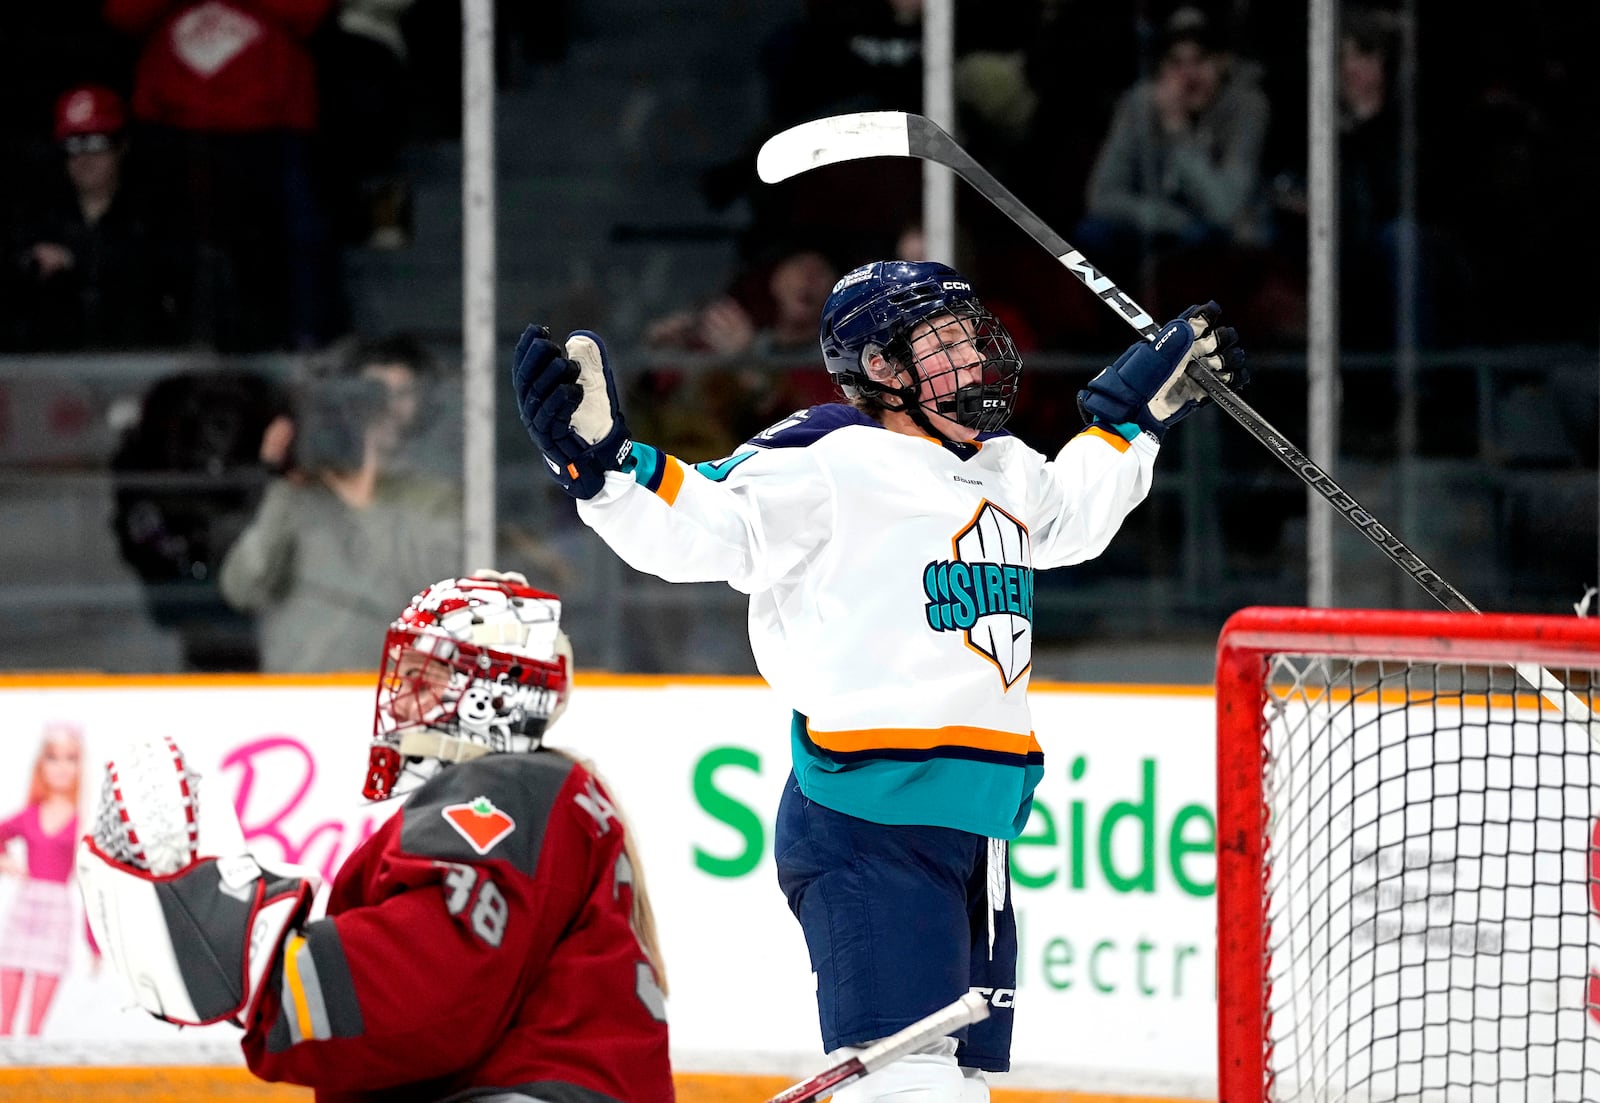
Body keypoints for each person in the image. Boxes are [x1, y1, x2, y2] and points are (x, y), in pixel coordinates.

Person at [509, 261, 1245, 1103]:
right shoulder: (829, 455)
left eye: (973, 336)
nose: (972, 358)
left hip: (977, 835)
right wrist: (604, 471)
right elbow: (708, 524)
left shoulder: (1000, 465)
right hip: (869, 826)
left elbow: (1070, 514)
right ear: (884, 369)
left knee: (948, 1083)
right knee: (903, 1088)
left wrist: (1134, 420)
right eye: (945, 343)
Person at [75, 571, 673, 1102]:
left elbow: (439, 983)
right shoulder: (545, 796)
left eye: (428, 675)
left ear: (497, 694)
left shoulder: (504, 791)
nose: (402, 696)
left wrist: (266, 971)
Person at [219, 333, 462, 672]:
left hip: (397, 698)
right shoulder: (298, 496)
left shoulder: (434, 497)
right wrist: (282, 482)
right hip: (301, 700)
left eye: (403, 394)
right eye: (373, 393)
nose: (387, 407)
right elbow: (244, 589)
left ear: (422, 403)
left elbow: (446, 595)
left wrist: (361, 495)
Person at [0, 83, 189, 350]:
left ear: (121, 146)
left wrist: (75, 258)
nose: (84, 157)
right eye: (73, 145)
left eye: (96, 143)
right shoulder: (37, 216)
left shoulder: (157, 213)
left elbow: (167, 273)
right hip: (53, 371)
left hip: (136, 362)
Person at [0, 722, 96, 1037]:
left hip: (57, 909)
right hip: (26, 905)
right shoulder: (29, 815)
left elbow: (89, 882)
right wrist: (7, 863)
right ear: (42, 764)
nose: (62, 767)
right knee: (5, 1016)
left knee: (35, 1024)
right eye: (53, 757)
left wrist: (93, 942)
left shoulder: (81, 821)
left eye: (71, 758)